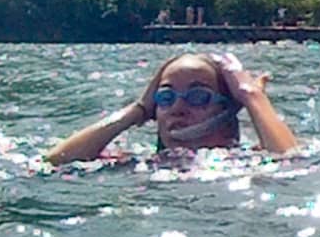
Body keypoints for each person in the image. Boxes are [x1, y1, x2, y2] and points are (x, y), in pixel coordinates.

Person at [45, 52, 297, 165]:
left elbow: (292, 162)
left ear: (228, 111)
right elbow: (56, 161)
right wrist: (138, 110)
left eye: (197, 97)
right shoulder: (141, 162)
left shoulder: (248, 160)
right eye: (166, 97)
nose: (177, 107)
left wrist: (252, 97)